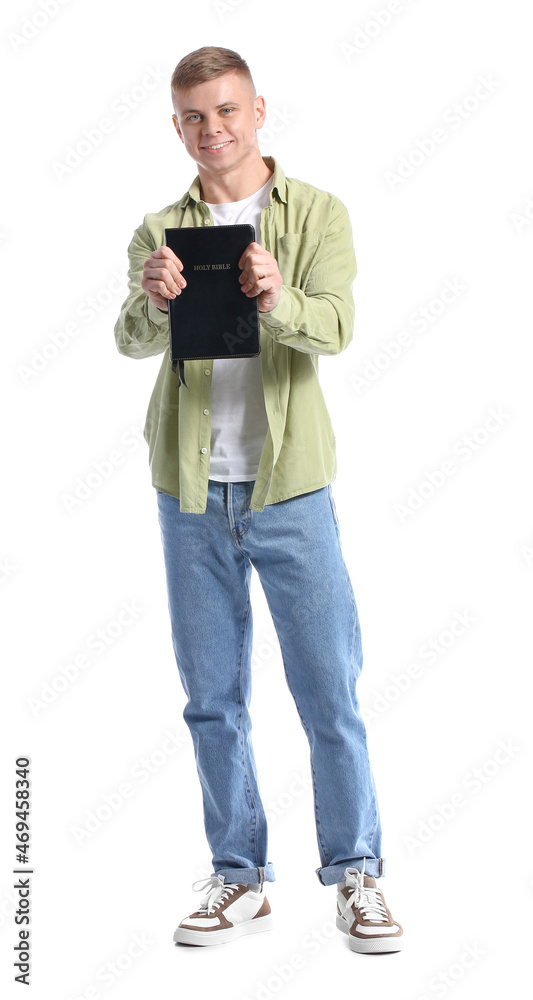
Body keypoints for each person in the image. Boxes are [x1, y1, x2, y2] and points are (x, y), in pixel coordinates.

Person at [114, 45, 404, 955]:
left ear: (258, 110)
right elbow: (127, 338)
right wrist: (154, 303)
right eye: (195, 117)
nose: (213, 131)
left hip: (289, 489)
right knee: (211, 697)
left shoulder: (317, 213)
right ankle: (237, 876)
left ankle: (356, 873)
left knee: (328, 691)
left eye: (228, 111)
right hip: (190, 491)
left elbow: (337, 326)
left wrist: (277, 297)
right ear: (176, 126)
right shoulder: (160, 225)